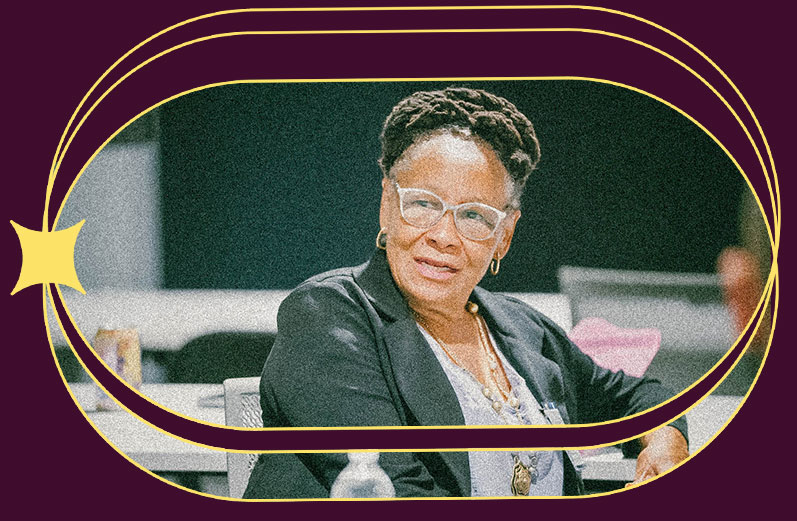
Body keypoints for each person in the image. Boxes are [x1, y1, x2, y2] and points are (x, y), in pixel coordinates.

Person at [244, 87, 688, 498]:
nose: (444, 236)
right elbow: (398, 492)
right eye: (422, 204)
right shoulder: (329, 315)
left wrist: (666, 441)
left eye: (474, 216)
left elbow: (640, 398)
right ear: (387, 205)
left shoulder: (520, 328)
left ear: (504, 236)